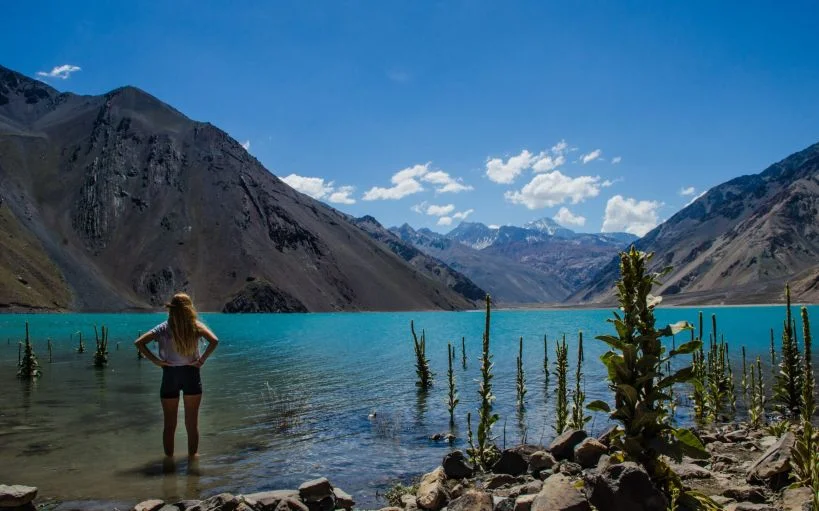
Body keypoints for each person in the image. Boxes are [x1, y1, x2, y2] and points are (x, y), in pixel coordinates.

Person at [134, 293, 219, 459]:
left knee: (169, 425)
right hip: (191, 374)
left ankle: (169, 463)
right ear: (189, 309)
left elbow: (139, 343)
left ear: (172, 309)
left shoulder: (164, 327)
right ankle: (193, 461)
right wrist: (201, 361)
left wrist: (157, 361)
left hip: (170, 375)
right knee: (192, 425)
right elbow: (214, 341)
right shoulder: (195, 325)